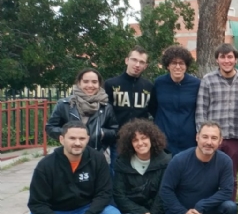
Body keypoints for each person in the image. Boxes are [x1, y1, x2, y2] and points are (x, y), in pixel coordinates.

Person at [16, 122, 122, 214]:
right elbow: (37, 204)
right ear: (61, 139)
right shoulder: (46, 165)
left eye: (82, 139)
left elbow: (104, 193)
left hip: (84, 209)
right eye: (72, 138)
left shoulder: (97, 159)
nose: (77, 143)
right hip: (55, 212)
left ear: (87, 139)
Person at [159, 122, 237, 214]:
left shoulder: (224, 161)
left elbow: (226, 191)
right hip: (180, 211)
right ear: (197, 138)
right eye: (205, 137)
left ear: (220, 141)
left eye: (214, 138)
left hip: (205, 211)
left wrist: (202, 205)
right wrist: (183, 213)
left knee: (230, 207)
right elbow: (165, 190)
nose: (208, 142)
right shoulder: (179, 160)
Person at [195, 43, 238, 214]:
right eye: (223, 57)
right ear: (217, 59)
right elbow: (201, 108)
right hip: (212, 139)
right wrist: (202, 136)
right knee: (209, 178)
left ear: (235, 59)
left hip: (236, 135)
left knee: (231, 178)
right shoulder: (208, 80)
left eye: (230, 57)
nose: (227, 60)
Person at [113, 119, 171, 214]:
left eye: (144, 138)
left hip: (157, 212)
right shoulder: (122, 162)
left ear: (152, 138)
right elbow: (119, 196)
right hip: (133, 211)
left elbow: (163, 194)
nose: (140, 143)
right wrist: (143, 212)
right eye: (135, 140)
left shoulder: (165, 161)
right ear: (130, 143)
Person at [46, 68, 118, 153]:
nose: (90, 85)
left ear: (99, 84)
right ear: (79, 83)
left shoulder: (106, 107)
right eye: (86, 81)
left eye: (94, 82)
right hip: (70, 154)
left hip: (96, 155)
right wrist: (69, 133)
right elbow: (50, 127)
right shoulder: (65, 104)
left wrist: (101, 133)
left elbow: (114, 131)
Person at [104, 46, 153, 174]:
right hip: (118, 139)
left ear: (145, 66)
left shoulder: (149, 87)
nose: (137, 64)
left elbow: (153, 111)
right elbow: (105, 113)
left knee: (139, 174)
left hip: (140, 140)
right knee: (117, 174)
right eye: (134, 60)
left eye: (141, 62)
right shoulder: (111, 84)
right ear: (127, 60)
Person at [150, 45, 201, 155]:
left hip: (188, 140)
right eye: (174, 63)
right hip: (163, 139)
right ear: (168, 65)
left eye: (181, 63)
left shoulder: (196, 84)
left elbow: (199, 108)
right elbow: (152, 107)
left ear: (186, 65)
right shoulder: (159, 83)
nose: (177, 66)